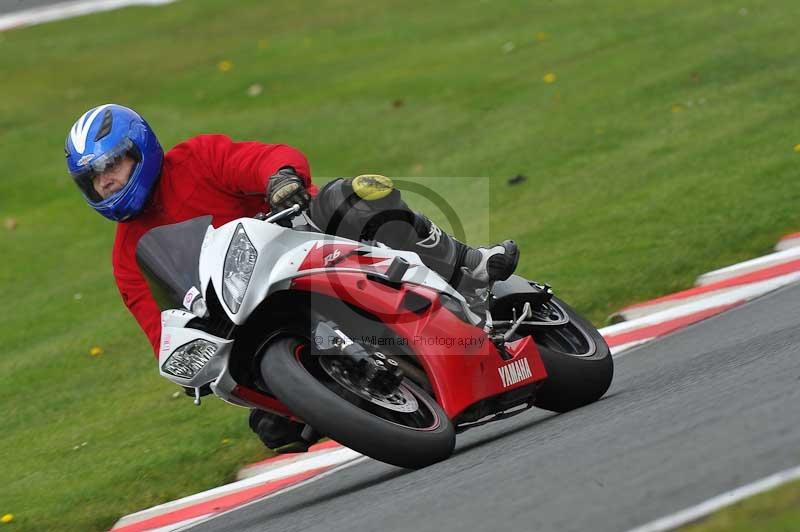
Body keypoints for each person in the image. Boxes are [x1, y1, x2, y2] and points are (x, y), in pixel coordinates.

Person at [65, 103, 520, 452]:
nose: (106, 183)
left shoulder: (197, 158)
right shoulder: (127, 257)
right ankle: (342, 395)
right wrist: (185, 365)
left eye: (112, 165)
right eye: (94, 179)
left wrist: (281, 179)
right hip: (243, 316)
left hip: (298, 242)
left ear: (141, 150)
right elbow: (158, 326)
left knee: (351, 196)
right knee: (272, 425)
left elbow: (264, 158)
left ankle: (468, 266)